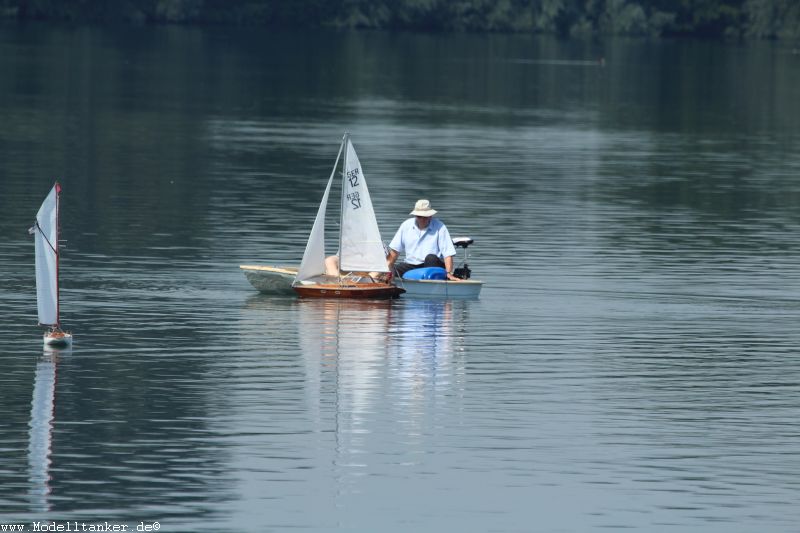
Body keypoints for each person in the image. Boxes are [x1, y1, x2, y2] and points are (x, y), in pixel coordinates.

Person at [387, 199, 460, 281]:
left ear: (430, 216)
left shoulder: (440, 227)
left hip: (432, 265)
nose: (422, 219)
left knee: (430, 258)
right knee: (392, 270)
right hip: (411, 265)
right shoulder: (406, 225)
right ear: (415, 215)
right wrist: (387, 269)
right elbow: (394, 251)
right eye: (419, 216)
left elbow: (448, 254)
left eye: (425, 217)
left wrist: (449, 273)